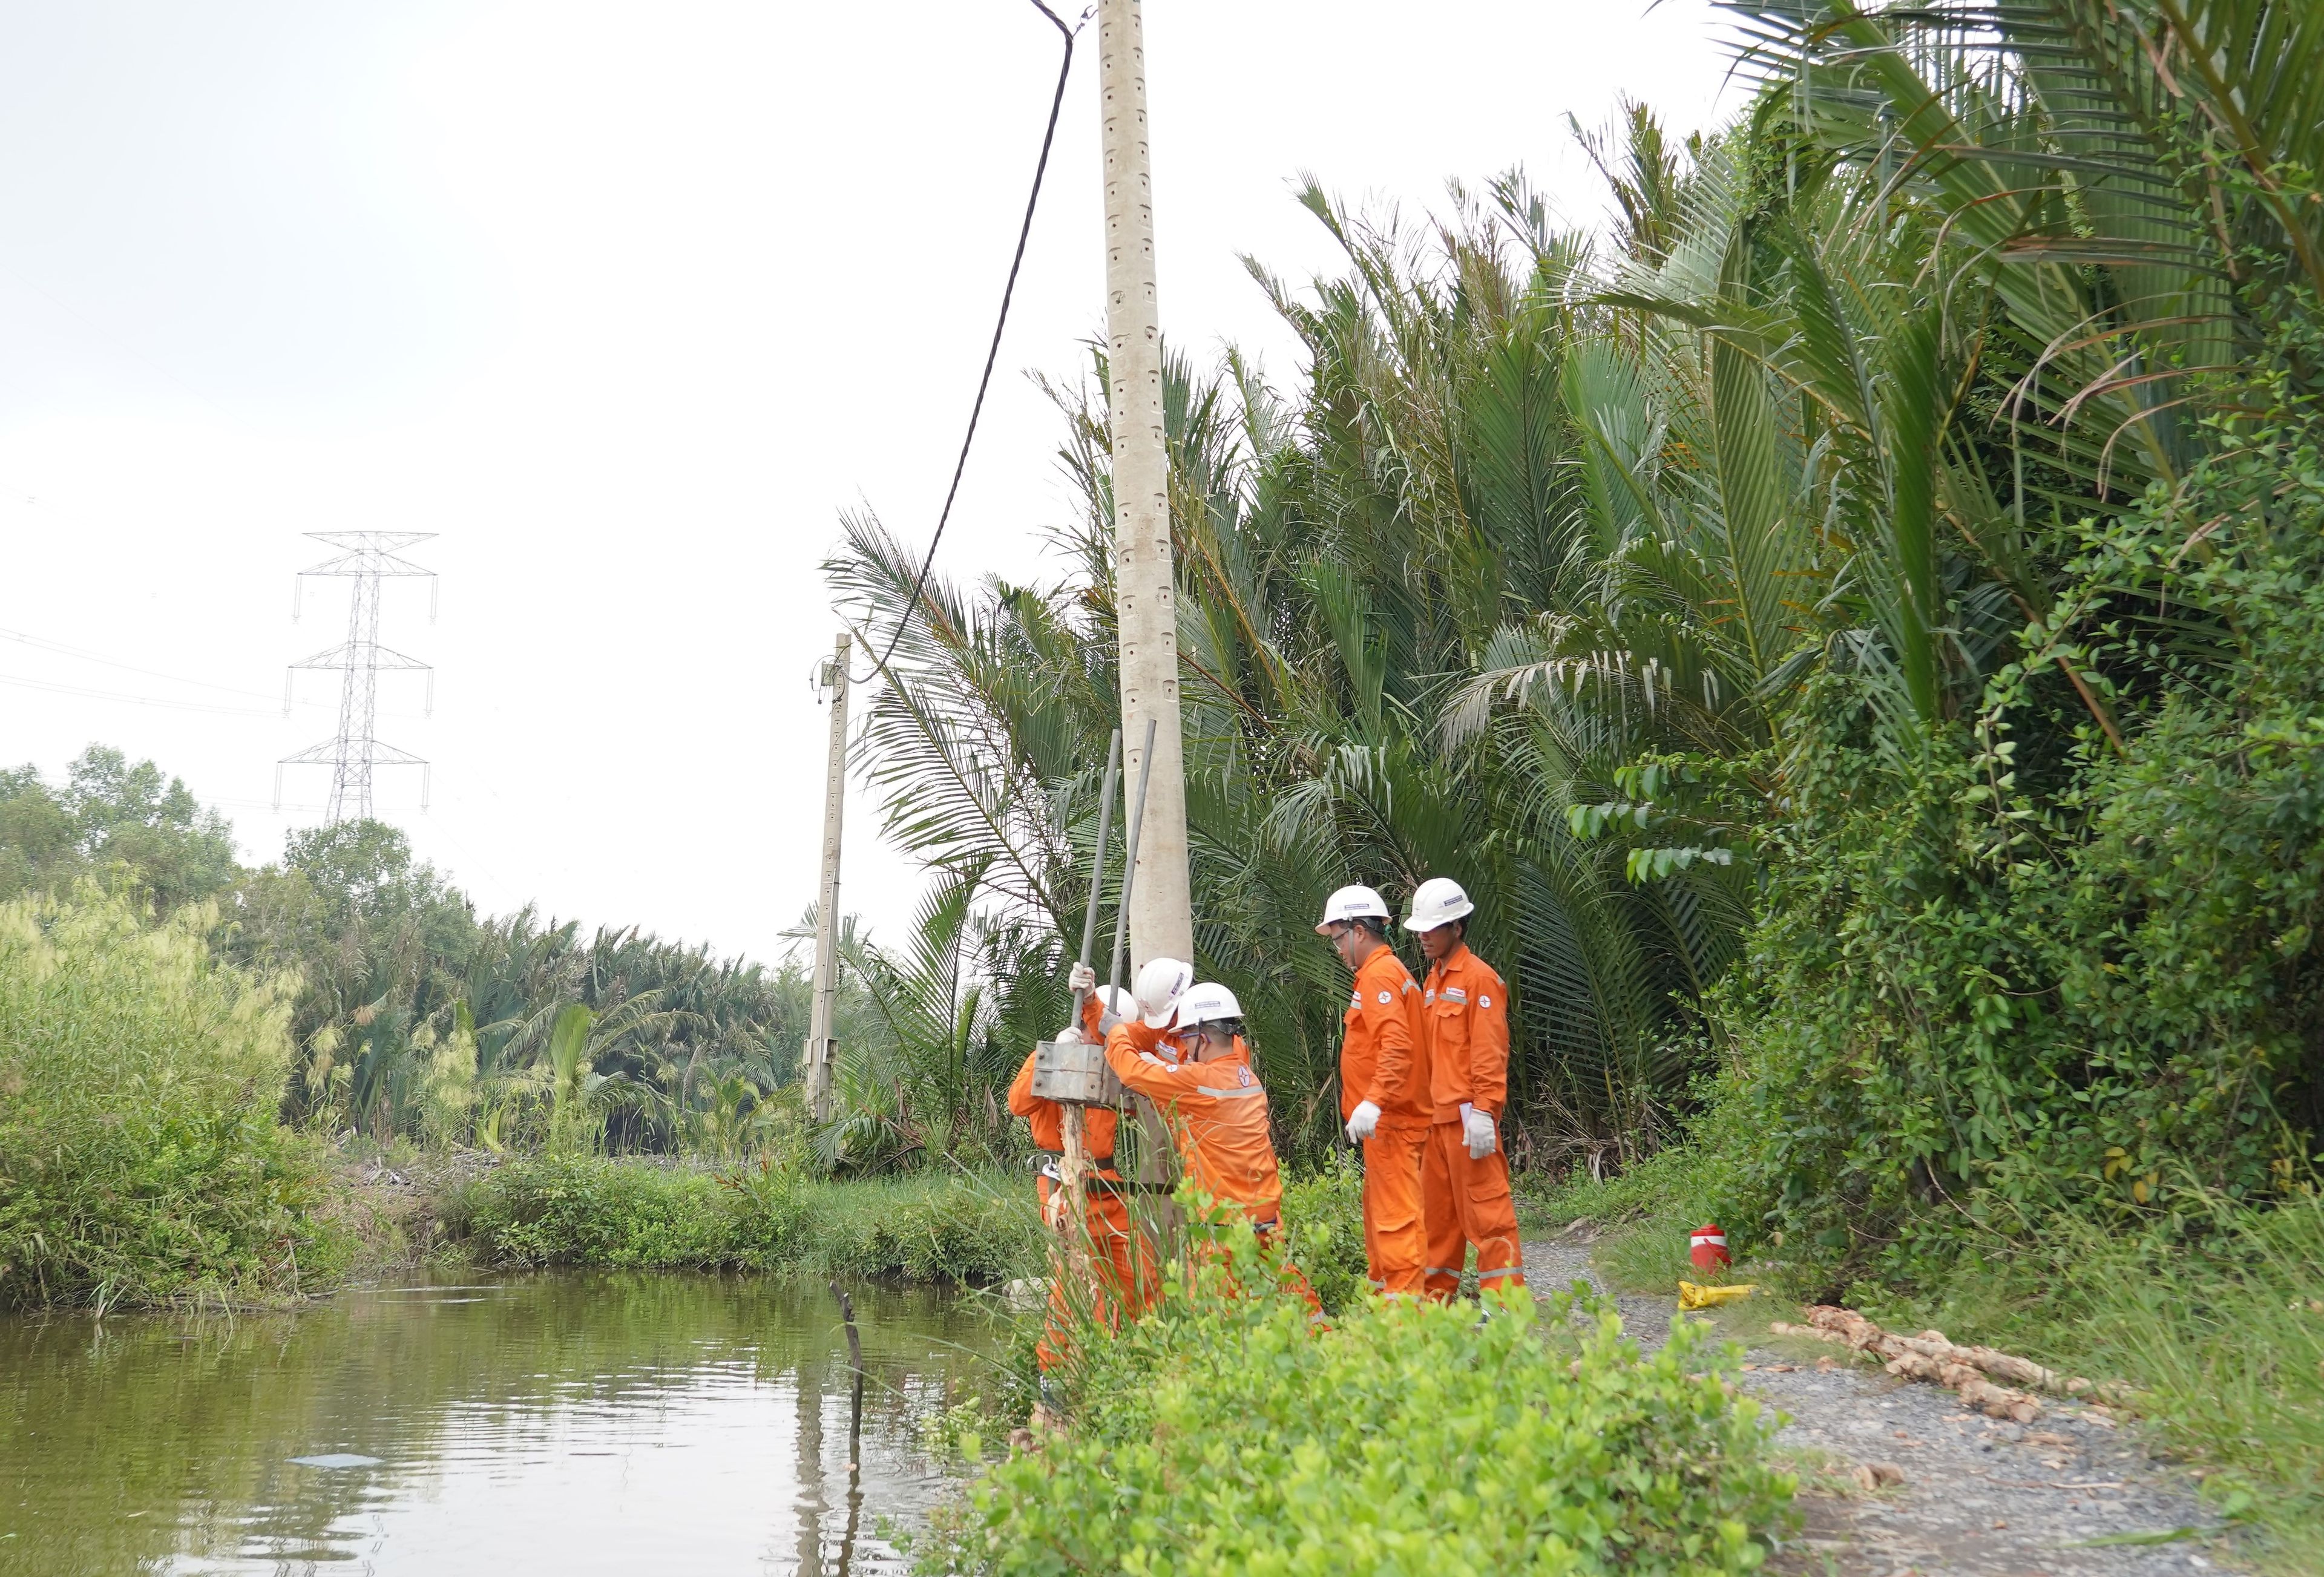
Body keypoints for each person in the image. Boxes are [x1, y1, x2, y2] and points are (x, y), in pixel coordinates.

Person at [1099, 979, 1319, 1311]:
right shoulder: (1248, 1079)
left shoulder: (1200, 1082)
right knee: (1286, 1300)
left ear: (1202, 1038)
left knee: (1215, 1315)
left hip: (1225, 1224)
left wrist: (1117, 1032)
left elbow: (1132, 1071)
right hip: (1267, 1217)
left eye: (1186, 1037)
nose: (1183, 1045)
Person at [1006, 976, 1152, 1371]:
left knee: (1136, 1277)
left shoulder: (1113, 1067)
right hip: (1061, 1187)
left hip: (1108, 1187)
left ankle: (1125, 1362)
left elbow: (1141, 1105)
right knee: (1070, 1285)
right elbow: (1017, 1104)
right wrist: (1050, 1057)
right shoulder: (1054, 1057)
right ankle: (1056, 1377)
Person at [1403, 876, 1527, 1301]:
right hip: (1436, 1123)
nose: (1424, 937)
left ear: (1457, 926)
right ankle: (1436, 1302)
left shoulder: (1479, 980)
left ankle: (1506, 1302)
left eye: (1432, 928)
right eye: (1420, 929)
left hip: (1466, 1120)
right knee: (1437, 1222)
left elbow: (1490, 1051)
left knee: (1488, 1214)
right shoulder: (1433, 981)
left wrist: (1484, 1111)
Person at [1315, 884, 1431, 1298]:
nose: (1339, 951)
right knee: (1382, 1213)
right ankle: (1389, 1303)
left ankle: (1406, 1318)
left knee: (1397, 1219)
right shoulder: (1382, 975)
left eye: (1338, 940)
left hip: (1394, 1122)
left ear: (1358, 931)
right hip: (1389, 1124)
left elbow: (1397, 1045)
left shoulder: (1381, 975)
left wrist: (1374, 1101)